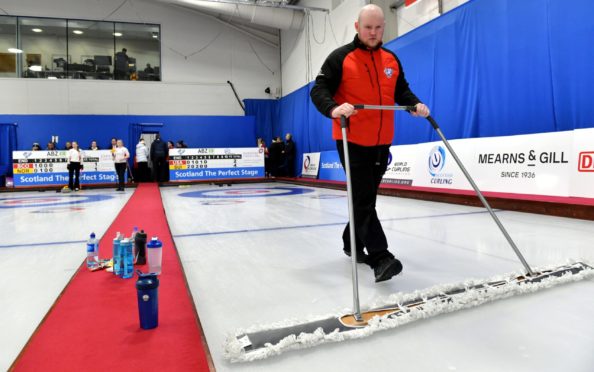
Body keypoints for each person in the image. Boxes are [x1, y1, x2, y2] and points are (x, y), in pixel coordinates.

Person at [310, 4, 430, 283]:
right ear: (357, 27)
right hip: (350, 137)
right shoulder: (341, 58)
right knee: (363, 199)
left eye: (378, 27)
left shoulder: (391, 59)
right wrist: (333, 108)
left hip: (381, 140)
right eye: (368, 27)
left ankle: (350, 243)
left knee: (366, 198)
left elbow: (401, 90)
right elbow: (319, 89)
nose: (373, 32)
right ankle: (380, 257)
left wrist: (414, 104)